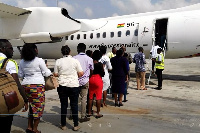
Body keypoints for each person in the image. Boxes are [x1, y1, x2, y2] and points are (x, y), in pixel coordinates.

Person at [19, 44, 51, 133]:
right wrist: (47, 68)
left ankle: (29, 127)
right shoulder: (39, 60)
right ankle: (35, 129)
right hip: (37, 86)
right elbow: (46, 73)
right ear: (35, 50)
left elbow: (20, 75)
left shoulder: (22, 61)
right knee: (38, 107)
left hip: (25, 86)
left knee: (31, 107)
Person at [0, 39, 28, 133]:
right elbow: (16, 83)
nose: (13, 50)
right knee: (5, 126)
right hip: (4, 101)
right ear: (3, 49)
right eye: (10, 48)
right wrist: (25, 99)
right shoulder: (9, 62)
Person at [54, 45, 83, 131]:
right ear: (70, 51)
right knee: (74, 105)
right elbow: (81, 73)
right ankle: (75, 125)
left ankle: (63, 125)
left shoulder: (58, 61)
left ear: (62, 52)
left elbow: (55, 74)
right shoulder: (75, 61)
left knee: (64, 105)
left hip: (62, 85)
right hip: (73, 85)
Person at [73, 43, 94, 123]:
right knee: (83, 99)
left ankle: (72, 115)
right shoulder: (89, 59)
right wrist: (87, 77)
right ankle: (82, 116)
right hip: (85, 81)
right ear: (85, 49)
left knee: (74, 99)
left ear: (78, 49)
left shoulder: (74, 58)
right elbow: (91, 70)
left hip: (75, 81)